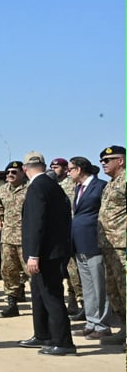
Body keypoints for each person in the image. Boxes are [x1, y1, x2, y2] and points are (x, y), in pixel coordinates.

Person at [17, 151, 75, 356]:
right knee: (40, 293)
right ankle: (43, 334)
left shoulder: (37, 187)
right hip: (54, 250)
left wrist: (33, 254)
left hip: (44, 254)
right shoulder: (54, 186)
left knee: (51, 296)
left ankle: (63, 342)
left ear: (25, 169)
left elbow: (36, 223)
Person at [66, 156, 111, 340]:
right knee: (88, 286)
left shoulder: (100, 186)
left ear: (79, 170)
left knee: (99, 285)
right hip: (79, 243)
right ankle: (91, 322)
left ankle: (102, 325)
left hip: (94, 242)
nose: (68, 173)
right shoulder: (78, 188)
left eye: (70, 169)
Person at [96, 145, 126, 345]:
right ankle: (124, 329)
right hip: (108, 245)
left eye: (108, 160)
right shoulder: (110, 184)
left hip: (122, 245)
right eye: (102, 161)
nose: (104, 164)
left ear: (121, 161)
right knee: (114, 291)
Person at [50, 157, 84, 319]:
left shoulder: (73, 185)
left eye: (56, 167)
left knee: (76, 271)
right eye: (51, 166)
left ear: (65, 169)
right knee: (68, 272)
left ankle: (83, 304)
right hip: (61, 235)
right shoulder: (53, 186)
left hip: (74, 233)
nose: (53, 169)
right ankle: (72, 303)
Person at [0, 161, 30, 318]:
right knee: (8, 271)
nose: (10, 175)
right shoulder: (3, 189)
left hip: (26, 237)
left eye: (14, 172)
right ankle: (12, 304)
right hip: (8, 237)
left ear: (22, 173)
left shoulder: (30, 188)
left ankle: (41, 304)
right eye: (8, 172)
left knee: (31, 273)